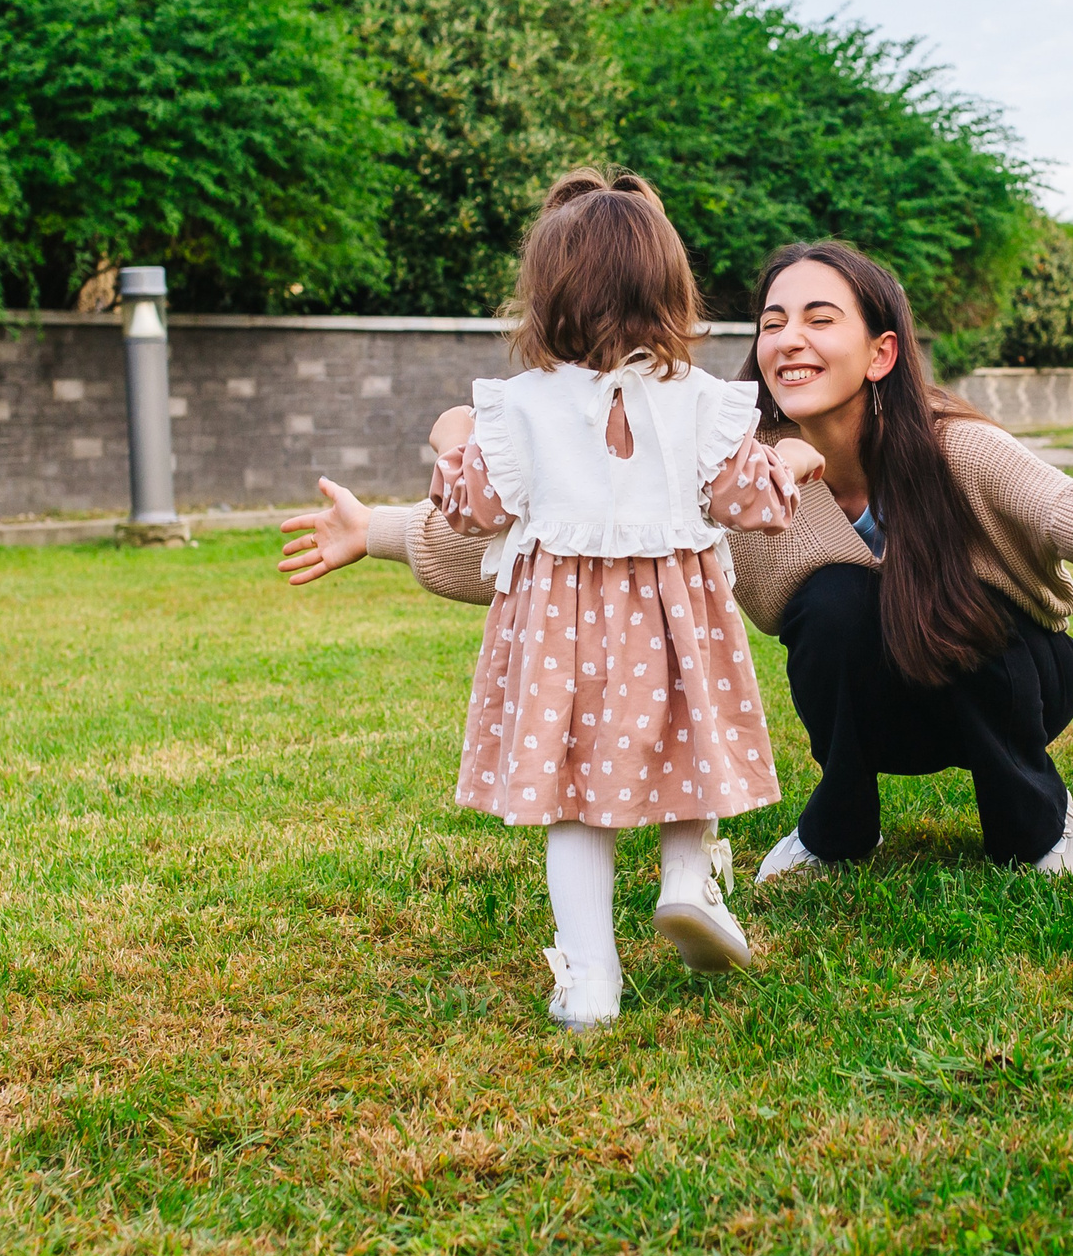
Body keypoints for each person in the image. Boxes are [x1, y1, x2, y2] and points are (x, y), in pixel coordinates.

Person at [282, 238, 1073, 897]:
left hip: (1014, 679)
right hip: (867, 710)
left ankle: (1039, 823)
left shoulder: (956, 450)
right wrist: (378, 530)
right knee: (836, 600)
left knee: (947, 614)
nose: (789, 338)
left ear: (879, 349)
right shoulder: (726, 475)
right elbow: (537, 541)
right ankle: (839, 828)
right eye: (774, 319)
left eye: (821, 319)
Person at [285, 169, 815, 1030]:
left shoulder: (515, 408)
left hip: (560, 636)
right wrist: (789, 461)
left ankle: (589, 975)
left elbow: (474, 511)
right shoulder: (708, 403)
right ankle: (687, 877)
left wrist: (451, 431)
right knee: (689, 739)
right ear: (670, 289)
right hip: (677, 622)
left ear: (546, 293)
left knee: (575, 796)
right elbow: (750, 506)